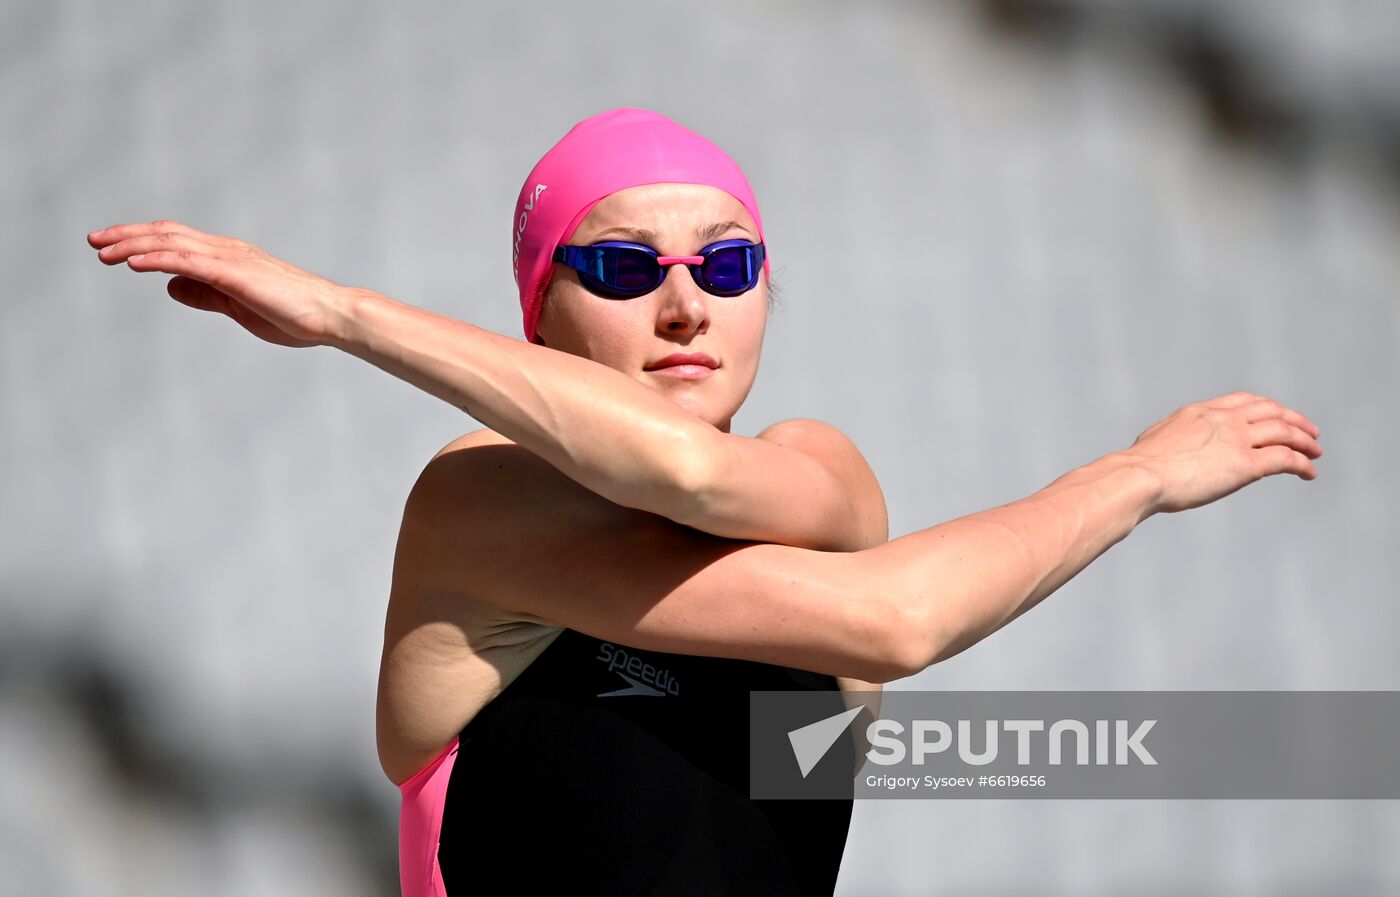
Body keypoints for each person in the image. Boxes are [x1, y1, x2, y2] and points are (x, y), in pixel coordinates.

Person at [87, 107, 1322, 896]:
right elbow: (677, 479)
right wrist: (344, 313)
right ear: (536, 315)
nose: (685, 308)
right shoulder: (479, 504)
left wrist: (1138, 472)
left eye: (724, 266)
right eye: (626, 267)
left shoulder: (822, 474)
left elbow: (886, 617)